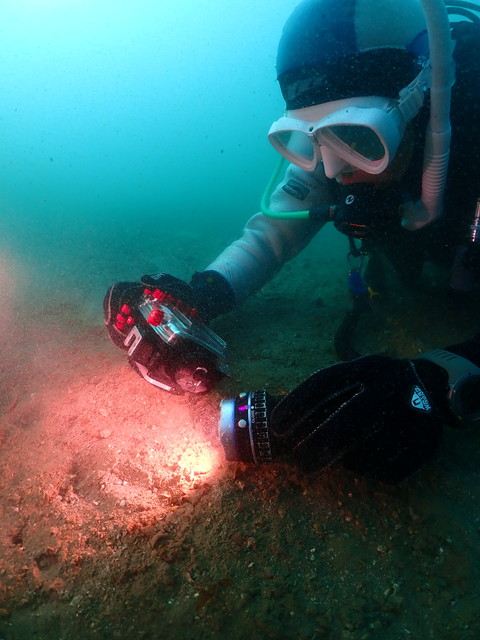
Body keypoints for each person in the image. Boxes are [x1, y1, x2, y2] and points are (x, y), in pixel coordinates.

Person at [104, 0, 480, 483]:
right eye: (310, 140)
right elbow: (272, 235)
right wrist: (201, 295)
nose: (331, 169)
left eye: (357, 138)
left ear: (424, 101)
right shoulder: (329, 153)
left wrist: (438, 376)